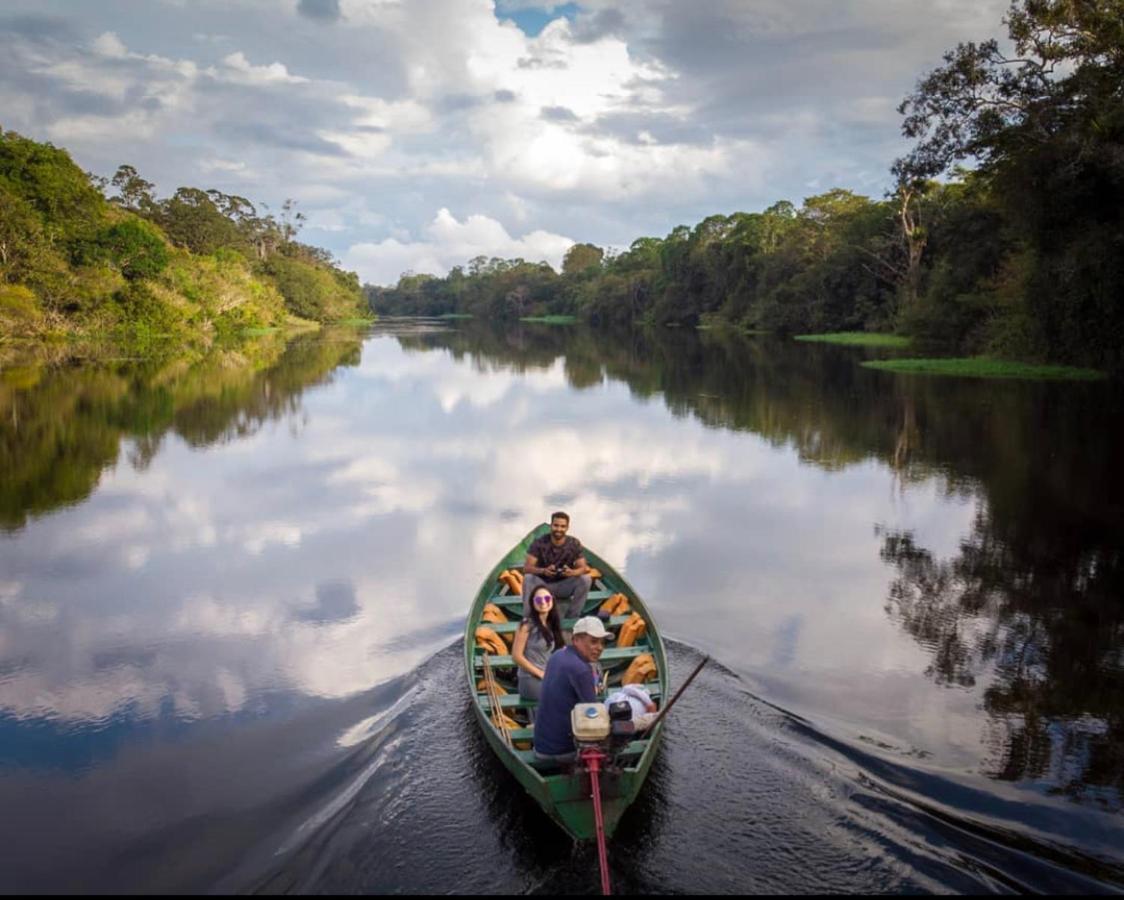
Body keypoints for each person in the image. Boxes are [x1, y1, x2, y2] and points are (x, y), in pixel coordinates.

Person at [532, 616, 613, 762]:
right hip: (561, 752)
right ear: (576, 640)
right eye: (593, 641)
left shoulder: (557, 655)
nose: (600, 647)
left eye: (602, 642)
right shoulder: (581, 670)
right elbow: (593, 715)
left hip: (540, 746)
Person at [522, 511, 592, 619]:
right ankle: (528, 618)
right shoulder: (539, 543)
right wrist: (543, 571)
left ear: (567, 527)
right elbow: (527, 568)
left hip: (564, 586)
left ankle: (572, 617)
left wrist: (572, 572)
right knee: (528, 578)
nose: (559, 529)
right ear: (551, 526)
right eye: (556, 525)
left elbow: (584, 568)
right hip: (543, 586)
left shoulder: (574, 543)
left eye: (562, 526)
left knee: (585, 580)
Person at [512, 586, 565, 702]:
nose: (543, 603)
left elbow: (560, 650)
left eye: (547, 598)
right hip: (530, 679)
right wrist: (540, 673)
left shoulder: (552, 624)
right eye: (538, 600)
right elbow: (516, 656)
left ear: (552, 600)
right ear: (533, 603)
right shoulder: (526, 625)